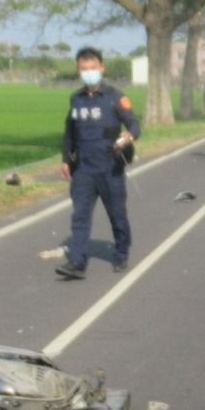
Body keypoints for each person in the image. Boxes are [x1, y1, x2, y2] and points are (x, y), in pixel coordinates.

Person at [55, 47, 142, 280]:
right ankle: (77, 262)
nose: (88, 73)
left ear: (102, 68)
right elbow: (70, 132)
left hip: (110, 167)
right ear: (78, 71)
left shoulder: (115, 97)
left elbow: (134, 125)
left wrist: (127, 137)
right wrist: (66, 159)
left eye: (92, 68)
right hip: (84, 168)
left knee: (117, 214)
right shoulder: (76, 99)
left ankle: (121, 252)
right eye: (84, 69)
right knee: (80, 216)